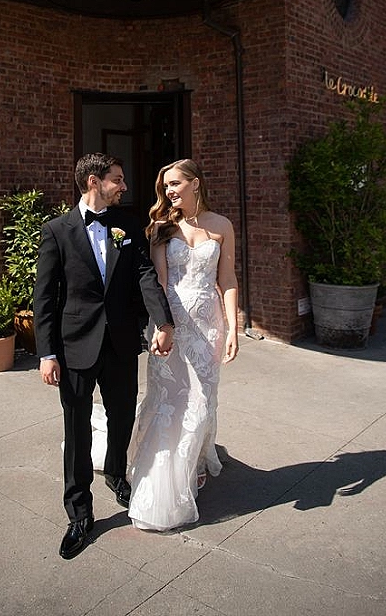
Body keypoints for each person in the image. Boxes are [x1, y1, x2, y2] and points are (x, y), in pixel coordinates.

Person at [33, 153, 174, 560]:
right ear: (94, 182)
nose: (124, 186)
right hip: (75, 345)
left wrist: (162, 322)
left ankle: (116, 473)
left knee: (122, 416)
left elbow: (145, 275)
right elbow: (45, 299)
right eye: (118, 179)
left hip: (121, 343)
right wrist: (47, 353)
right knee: (76, 430)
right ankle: (79, 512)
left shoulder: (128, 225)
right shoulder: (56, 231)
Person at [128, 158, 239, 531]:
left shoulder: (222, 225)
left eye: (175, 184)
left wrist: (234, 329)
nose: (170, 192)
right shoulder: (161, 227)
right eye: (166, 187)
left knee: (202, 399)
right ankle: (169, 475)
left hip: (209, 327)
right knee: (170, 399)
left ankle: (191, 462)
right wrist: (163, 325)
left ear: (195, 183)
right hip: (172, 325)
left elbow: (227, 279)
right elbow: (159, 281)